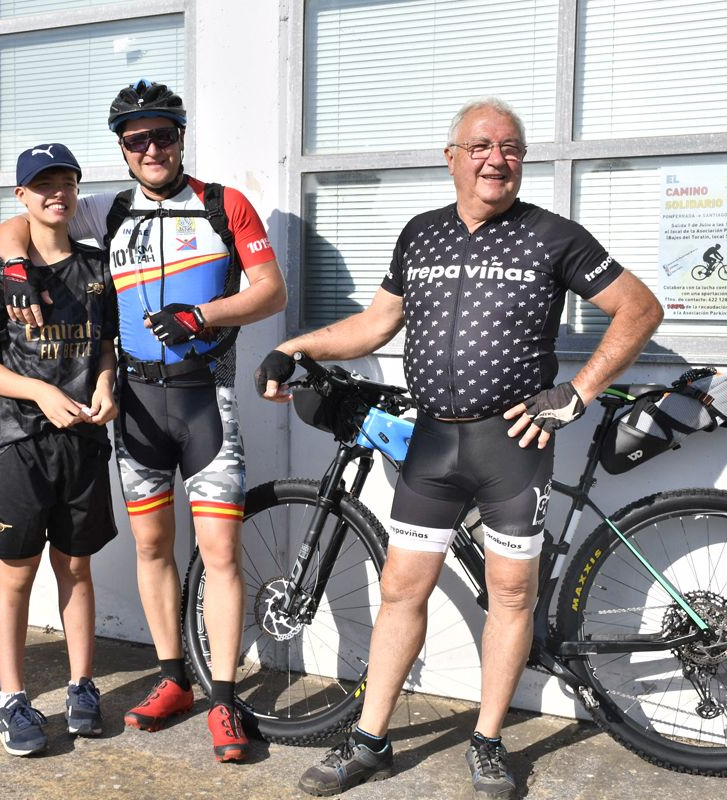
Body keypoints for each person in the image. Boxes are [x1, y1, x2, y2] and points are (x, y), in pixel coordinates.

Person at [256, 98, 663, 798]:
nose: (494, 158)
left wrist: (579, 391)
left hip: (512, 447)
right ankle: (369, 741)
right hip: (434, 443)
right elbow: (375, 323)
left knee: (509, 597)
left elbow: (640, 308)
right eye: (479, 146)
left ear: (522, 161)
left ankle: (487, 742)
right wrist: (294, 347)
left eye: (509, 147)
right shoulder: (420, 235)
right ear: (453, 158)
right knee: (400, 590)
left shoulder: (553, 236)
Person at [0, 79, 287, 762]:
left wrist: (203, 316)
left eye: (163, 135)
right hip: (136, 407)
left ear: (181, 139)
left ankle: (223, 698)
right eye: (137, 140)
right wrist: (12, 264)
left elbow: (273, 290)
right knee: (153, 548)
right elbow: (26, 217)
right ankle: (171, 678)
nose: (152, 148)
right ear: (122, 150)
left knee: (218, 556)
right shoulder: (108, 210)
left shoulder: (224, 204)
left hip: (202, 399)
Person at [0, 143, 119, 757]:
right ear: (22, 197)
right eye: (43, 184)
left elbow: (106, 343)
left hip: (82, 441)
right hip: (22, 442)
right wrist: (38, 391)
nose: (56, 192)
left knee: (78, 567)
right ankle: (11, 696)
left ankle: (82, 685)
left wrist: (106, 383)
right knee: (16, 574)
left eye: (66, 181)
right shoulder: (1, 273)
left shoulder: (97, 265)